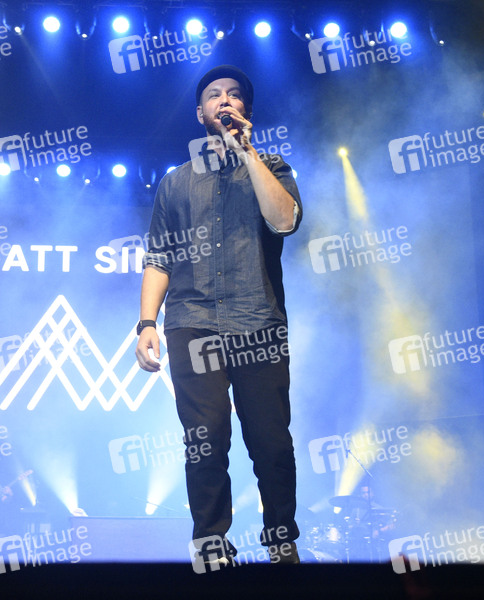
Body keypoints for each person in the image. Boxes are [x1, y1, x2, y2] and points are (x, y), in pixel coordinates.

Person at [135, 65, 302, 566]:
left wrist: (247, 151)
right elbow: (159, 258)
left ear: (246, 109)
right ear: (199, 112)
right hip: (192, 321)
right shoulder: (175, 183)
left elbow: (284, 221)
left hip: (257, 319)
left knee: (271, 443)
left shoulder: (272, 166)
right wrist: (146, 323)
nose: (224, 100)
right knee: (205, 440)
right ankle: (211, 544)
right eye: (214, 95)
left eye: (233, 94)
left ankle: (281, 540)